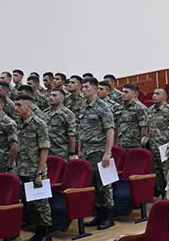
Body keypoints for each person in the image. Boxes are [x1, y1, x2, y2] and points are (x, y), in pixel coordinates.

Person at [14, 95, 53, 241]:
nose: (16, 108)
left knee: (41, 205)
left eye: (19, 105)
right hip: (23, 169)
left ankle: (46, 234)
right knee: (30, 205)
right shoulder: (19, 123)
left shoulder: (39, 124)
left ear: (28, 107)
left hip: (36, 170)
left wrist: (40, 172)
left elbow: (44, 149)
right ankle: (38, 232)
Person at [77, 76, 117, 230]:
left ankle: (109, 216)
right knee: (94, 185)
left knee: (104, 185)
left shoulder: (102, 107)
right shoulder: (83, 106)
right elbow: (81, 129)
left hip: (99, 151)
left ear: (94, 88)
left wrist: (108, 152)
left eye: (87, 87)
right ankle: (99, 215)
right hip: (87, 151)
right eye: (83, 87)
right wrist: (80, 149)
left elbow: (110, 130)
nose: (84, 89)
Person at [46, 88, 77, 159]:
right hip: (47, 151)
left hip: (61, 152)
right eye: (50, 95)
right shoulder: (46, 112)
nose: (51, 97)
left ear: (62, 99)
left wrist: (72, 153)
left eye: (54, 95)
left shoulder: (67, 114)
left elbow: (72, 135)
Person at [116, 83, 149, 150]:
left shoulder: (140, 108)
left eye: (126, 92)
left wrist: (142, 145)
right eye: (122, 91)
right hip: (122, 143)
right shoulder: (121, 106)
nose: (123, 94)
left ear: (134, 94)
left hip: (134, 145)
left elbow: (144, 128)